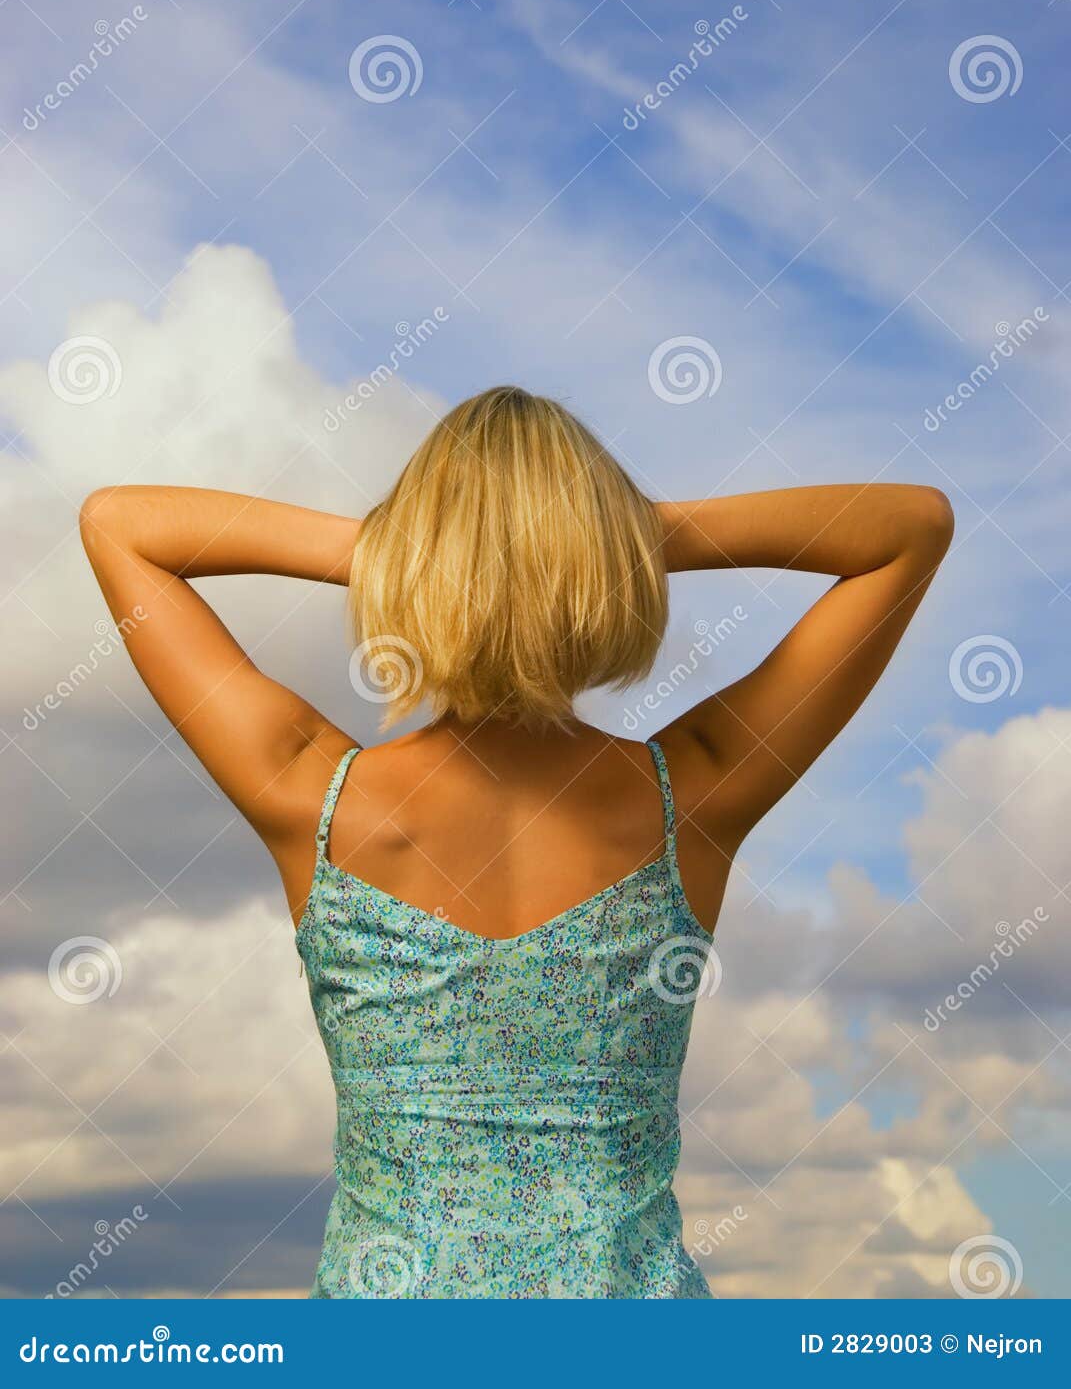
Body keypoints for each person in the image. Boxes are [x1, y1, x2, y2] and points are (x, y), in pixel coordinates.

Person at [79, 385, 953, 1298]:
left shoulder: (314, 795)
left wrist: (414, 554)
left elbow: (120, 526)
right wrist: (609, 543)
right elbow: (909, 528)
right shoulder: (695, 792)